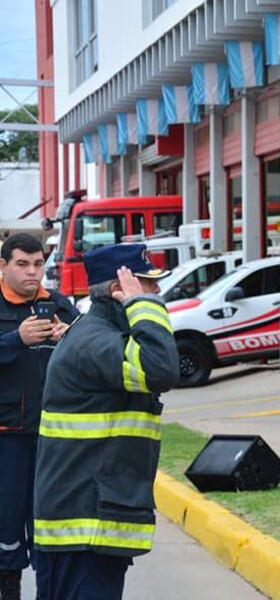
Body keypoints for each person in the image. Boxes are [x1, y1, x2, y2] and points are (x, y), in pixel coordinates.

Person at [33, 244, 179, 600]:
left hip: (90, 518)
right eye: (147, 284)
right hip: (86, 526)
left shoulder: (100, 334)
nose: (157, 293)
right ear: (120, 290)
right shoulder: (95, 341)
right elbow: (161, 369)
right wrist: (142, 305)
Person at [0, 234, 76, 600]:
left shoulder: (57, 304)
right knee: (7, 526)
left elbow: (93, 347)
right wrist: (15, 339)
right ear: (3, 266)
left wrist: (71, 336)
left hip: (52, 438)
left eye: (38, 264)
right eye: (23, 264)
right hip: (6, 438)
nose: (33, 272)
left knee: (50, 526)